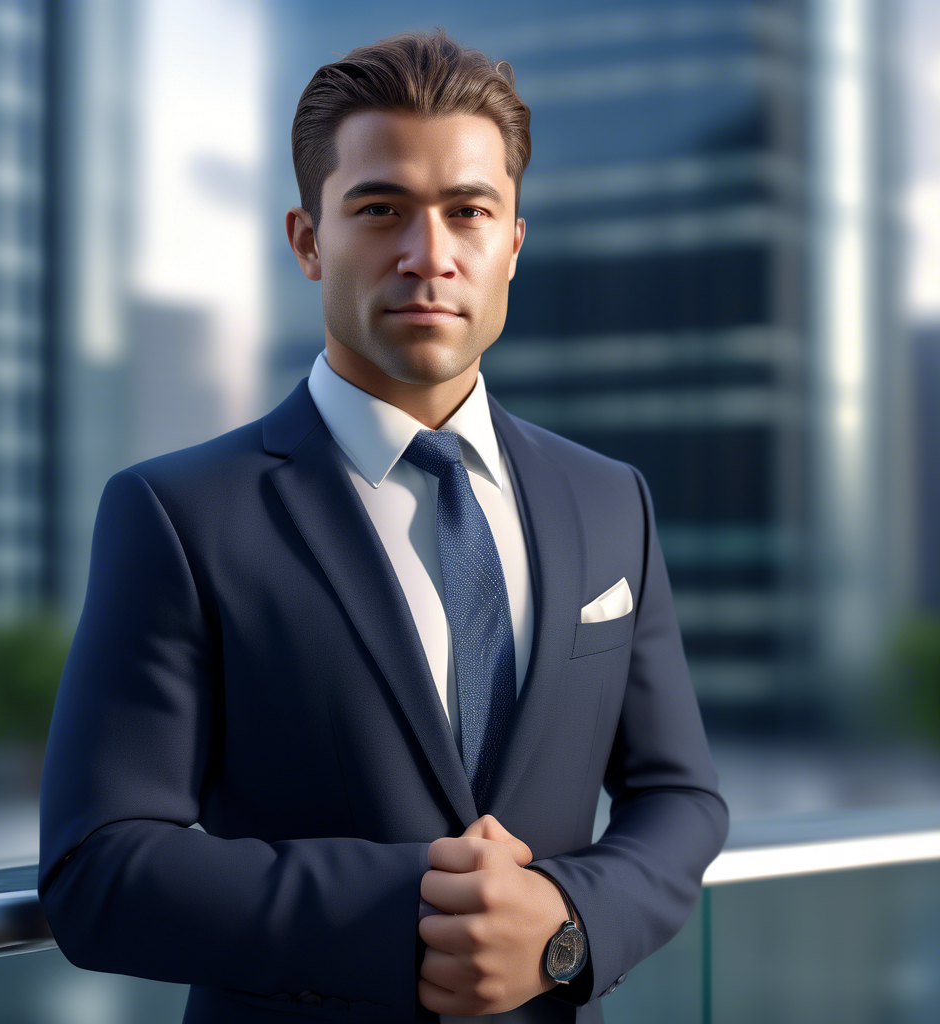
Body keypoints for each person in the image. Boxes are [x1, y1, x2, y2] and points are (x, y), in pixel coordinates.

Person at [38, 27, 729, 1024]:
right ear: (307, 242)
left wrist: (564, 924)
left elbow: (680, 798)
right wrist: (406, 916)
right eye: (380, 210)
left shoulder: (609, 498)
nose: (428, 256)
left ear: (513, 243)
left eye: (468, 212)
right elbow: (97, 866)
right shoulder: (177, 515)